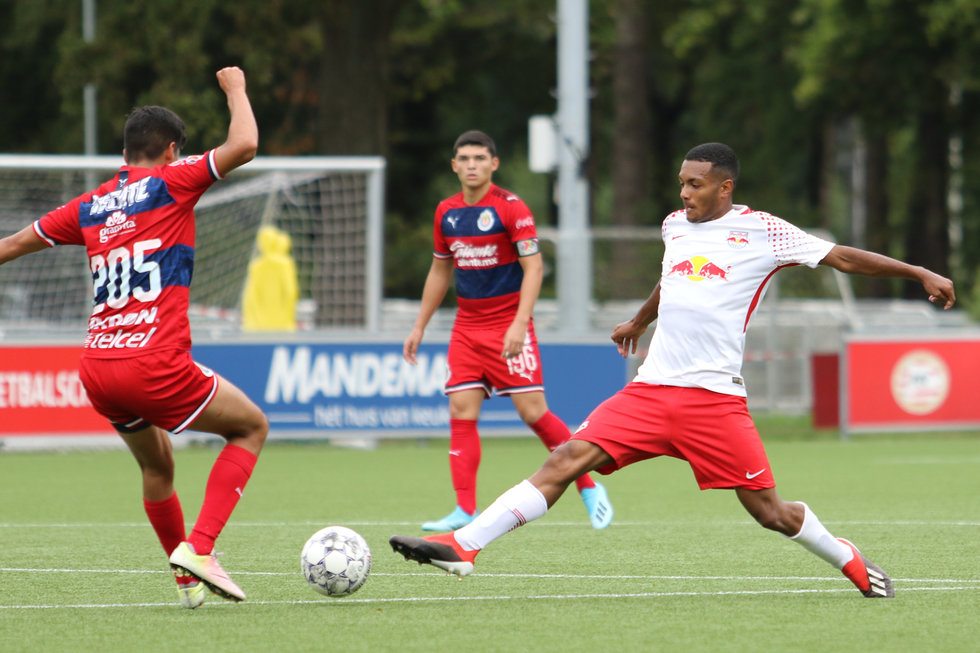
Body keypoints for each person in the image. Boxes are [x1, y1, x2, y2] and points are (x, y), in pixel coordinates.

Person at [390, 142, 957, 598]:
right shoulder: (673, 226)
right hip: (651, 390)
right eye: (682, 183)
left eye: (695, 184)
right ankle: (464, 546)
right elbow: (674, 280)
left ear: (725, 187)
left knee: (770, 512)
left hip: (712, 400)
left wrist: (918, 273)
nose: (684, 193)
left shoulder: (766, 231)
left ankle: (846, 558)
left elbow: (843, 257)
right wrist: (638, 320)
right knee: (565, 459)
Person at [0, 67, 266, 609]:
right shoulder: (173, 180)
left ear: (125, 152)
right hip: (153, 361)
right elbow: (244, 145)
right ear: (171, 151)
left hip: (98, 369)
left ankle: (186, 583)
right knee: (250, 427)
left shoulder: (89, 205)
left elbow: (9, 246)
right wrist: (235, 87)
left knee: (156, 466)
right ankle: (201, 551)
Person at [403, 130, 613, 532]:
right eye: (464, 158)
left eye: (480, 158)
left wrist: (519, 322)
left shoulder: (511, 208)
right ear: (454, 165)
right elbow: (440, 269)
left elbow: (534, 267)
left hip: (506, 323)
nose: (471, 165)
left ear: (493, 164)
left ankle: (588, 488)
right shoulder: (446, 212)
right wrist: (419, 325)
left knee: (532, 412)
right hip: (466, 326)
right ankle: (464, 509)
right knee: (461, 408)